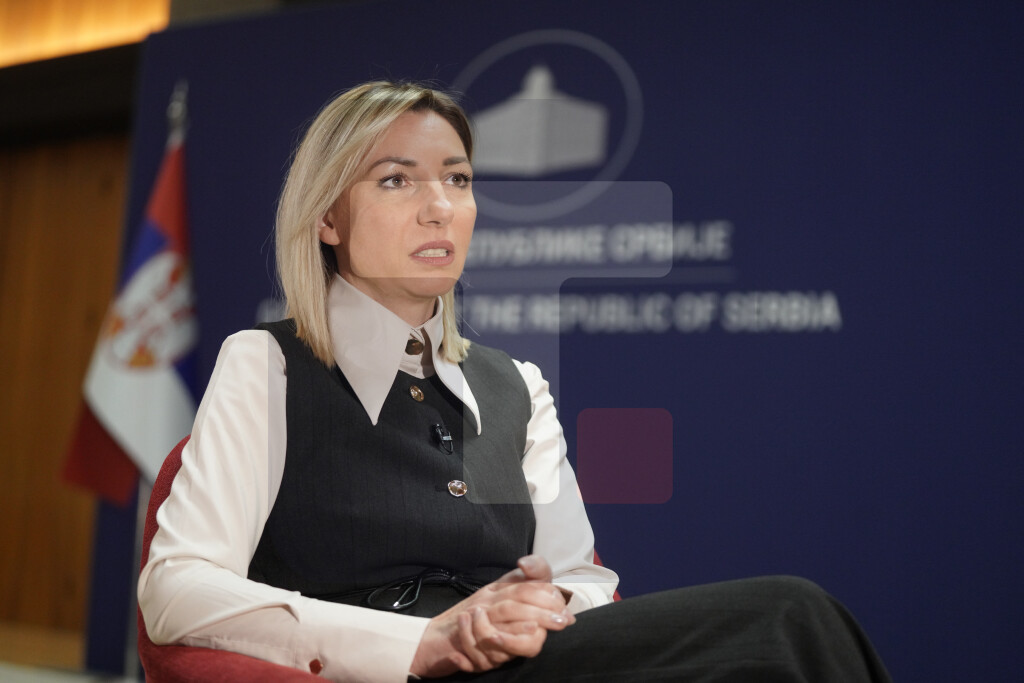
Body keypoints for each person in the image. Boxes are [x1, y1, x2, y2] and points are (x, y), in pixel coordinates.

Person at [138, 81, 891, 682]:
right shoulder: (266, 362)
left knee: (779, 640)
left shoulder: (516, 386)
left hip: (528, 663)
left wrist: (539, 606)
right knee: (788, 619)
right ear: (328, 220)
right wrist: (422, 642)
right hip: (385, 670)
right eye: (397, 180)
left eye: (457, 179)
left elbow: (587, 581)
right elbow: (176, 590)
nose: (440, 207)